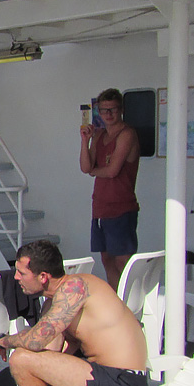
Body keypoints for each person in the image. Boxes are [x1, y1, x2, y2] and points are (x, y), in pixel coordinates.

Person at [0, 240, 148, 386]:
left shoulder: (75, 288)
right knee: (33, 378)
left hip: (124, 382)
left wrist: (1, 342)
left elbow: (35, 341)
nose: (16, 277)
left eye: (21, 273)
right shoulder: (55, 303)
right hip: (102, 375)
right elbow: (46, 352)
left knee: (20, 359)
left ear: (43, 277)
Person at [79, 88, 140, 291]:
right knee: (107, 261)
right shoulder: (99, 135)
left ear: (121, 110)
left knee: (124, 263)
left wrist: (94, 171)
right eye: (104, 110)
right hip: (100, 208)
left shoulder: (127, 134)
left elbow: (112, 171)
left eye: (113, 109)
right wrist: (85, 140)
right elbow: (85, 167)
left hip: (121, 208)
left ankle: (130, 305)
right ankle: (116, 302)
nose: (108, 114)